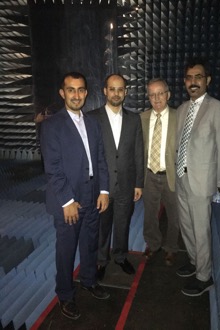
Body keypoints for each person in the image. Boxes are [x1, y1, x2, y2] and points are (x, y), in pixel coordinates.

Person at [40, 72, 110, 320]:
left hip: (92, 194)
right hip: (68, 199)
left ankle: (89, 280)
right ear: (62, 93)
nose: (77, 95)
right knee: (66, 250)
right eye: (71, 90)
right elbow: (53, 168)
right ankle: (66, 295)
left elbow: (100, 158)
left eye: (81, 90)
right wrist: (67, 202)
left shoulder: (92, 123)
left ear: (86, 93)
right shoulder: (51, 125)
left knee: (90, 243)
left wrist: (104, 190)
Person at [175, 58, 220, 296]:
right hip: (182, 178)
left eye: (198, 77)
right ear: (184, 82)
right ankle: (193, 262)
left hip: (202, 181)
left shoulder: (217, 108)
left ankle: (204, 276)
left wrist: (215, 180)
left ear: (207, 80)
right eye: (189, 78)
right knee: (187, 227)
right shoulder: (181, 109)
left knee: (201, 230)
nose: (193, 82)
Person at [88, 74, 144, 281]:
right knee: (103, 226)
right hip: (102, 186)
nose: (116, 93)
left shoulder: (134, 119)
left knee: (123, 223)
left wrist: (139, 183)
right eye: (112, 89)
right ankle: (101, 260)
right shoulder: (92, 118)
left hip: (127, 184)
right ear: (105, 91)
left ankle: (120, 256)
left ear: (126, 92)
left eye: (120, 89)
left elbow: (139, 152)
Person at [140, 78, 179, 266]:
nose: (156, 98)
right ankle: (153, 244)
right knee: (149, 214)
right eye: (152, 94)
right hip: (149, 175)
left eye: (160, 93)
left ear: (168, 95)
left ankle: (171, 248)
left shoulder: (179, 117)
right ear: (148, 97)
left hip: (170, 175)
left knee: (174, 215)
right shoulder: (142, 118)